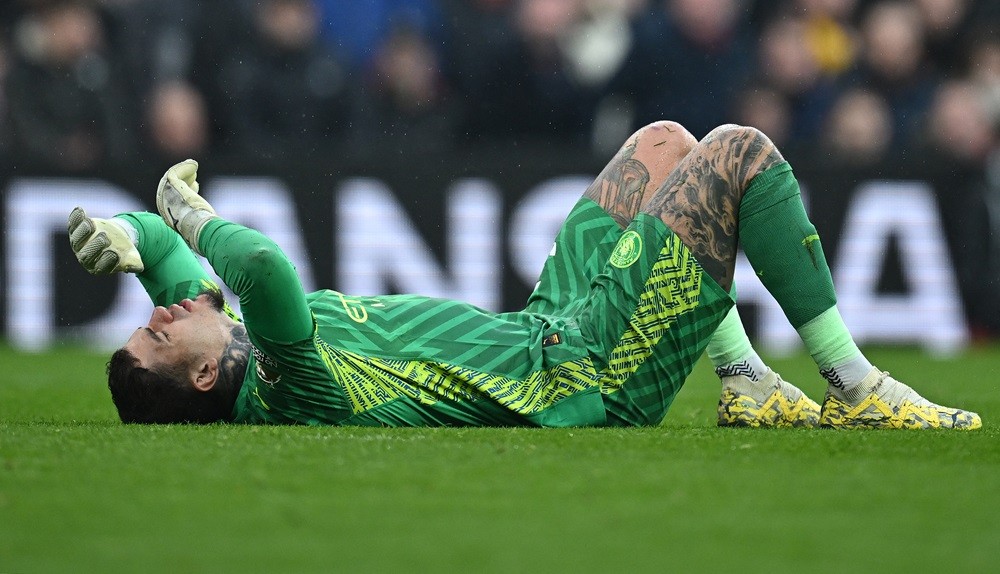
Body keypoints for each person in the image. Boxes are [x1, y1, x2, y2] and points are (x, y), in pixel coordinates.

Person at [67, 121, 980, 429]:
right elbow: (254, 265)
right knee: (738, 155)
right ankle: (854, 383)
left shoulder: (224, 356)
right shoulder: (284, 381)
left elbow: (185, 275)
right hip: (581, 375)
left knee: (661, 147)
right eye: (156, 325)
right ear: (198, 373)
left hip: (545, 329)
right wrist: (191, 217)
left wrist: (133, 229)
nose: (165, 307)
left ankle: (742, 381)